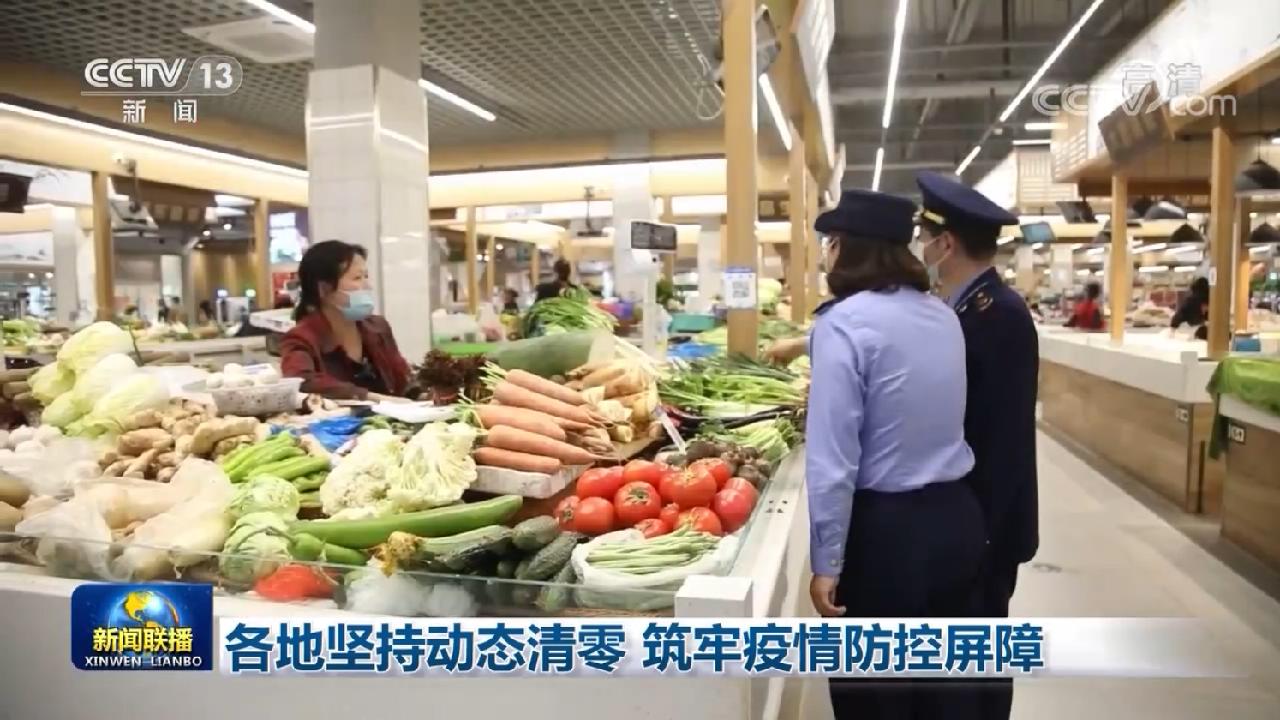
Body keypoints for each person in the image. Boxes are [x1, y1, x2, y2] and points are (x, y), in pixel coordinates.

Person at [806, 189, 985, 720]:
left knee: (875, 697)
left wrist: (827, 560)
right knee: (944, 692)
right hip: (957, 520)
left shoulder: (842, 324)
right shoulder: (943, 315)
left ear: (845, 248)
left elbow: (833, 458)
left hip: (886, 538)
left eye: (831, 242)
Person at [916, 171, 1039, 720]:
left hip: (990, 521)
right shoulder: (967, 307)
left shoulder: (997, 314)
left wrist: (983, 531)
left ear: (945, 243)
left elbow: (1005, 437)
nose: (920, 247)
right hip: (975, 518)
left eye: (924, 237)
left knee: (978, 662)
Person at [280, 240, 413, 400]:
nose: (368, 286)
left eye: (366, 276)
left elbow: (403, 380)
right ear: (324, 289)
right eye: (357, 278)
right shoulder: (301, 339)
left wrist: (425, 392)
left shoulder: (378, 328)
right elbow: (301, 381)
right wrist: (370, 398)